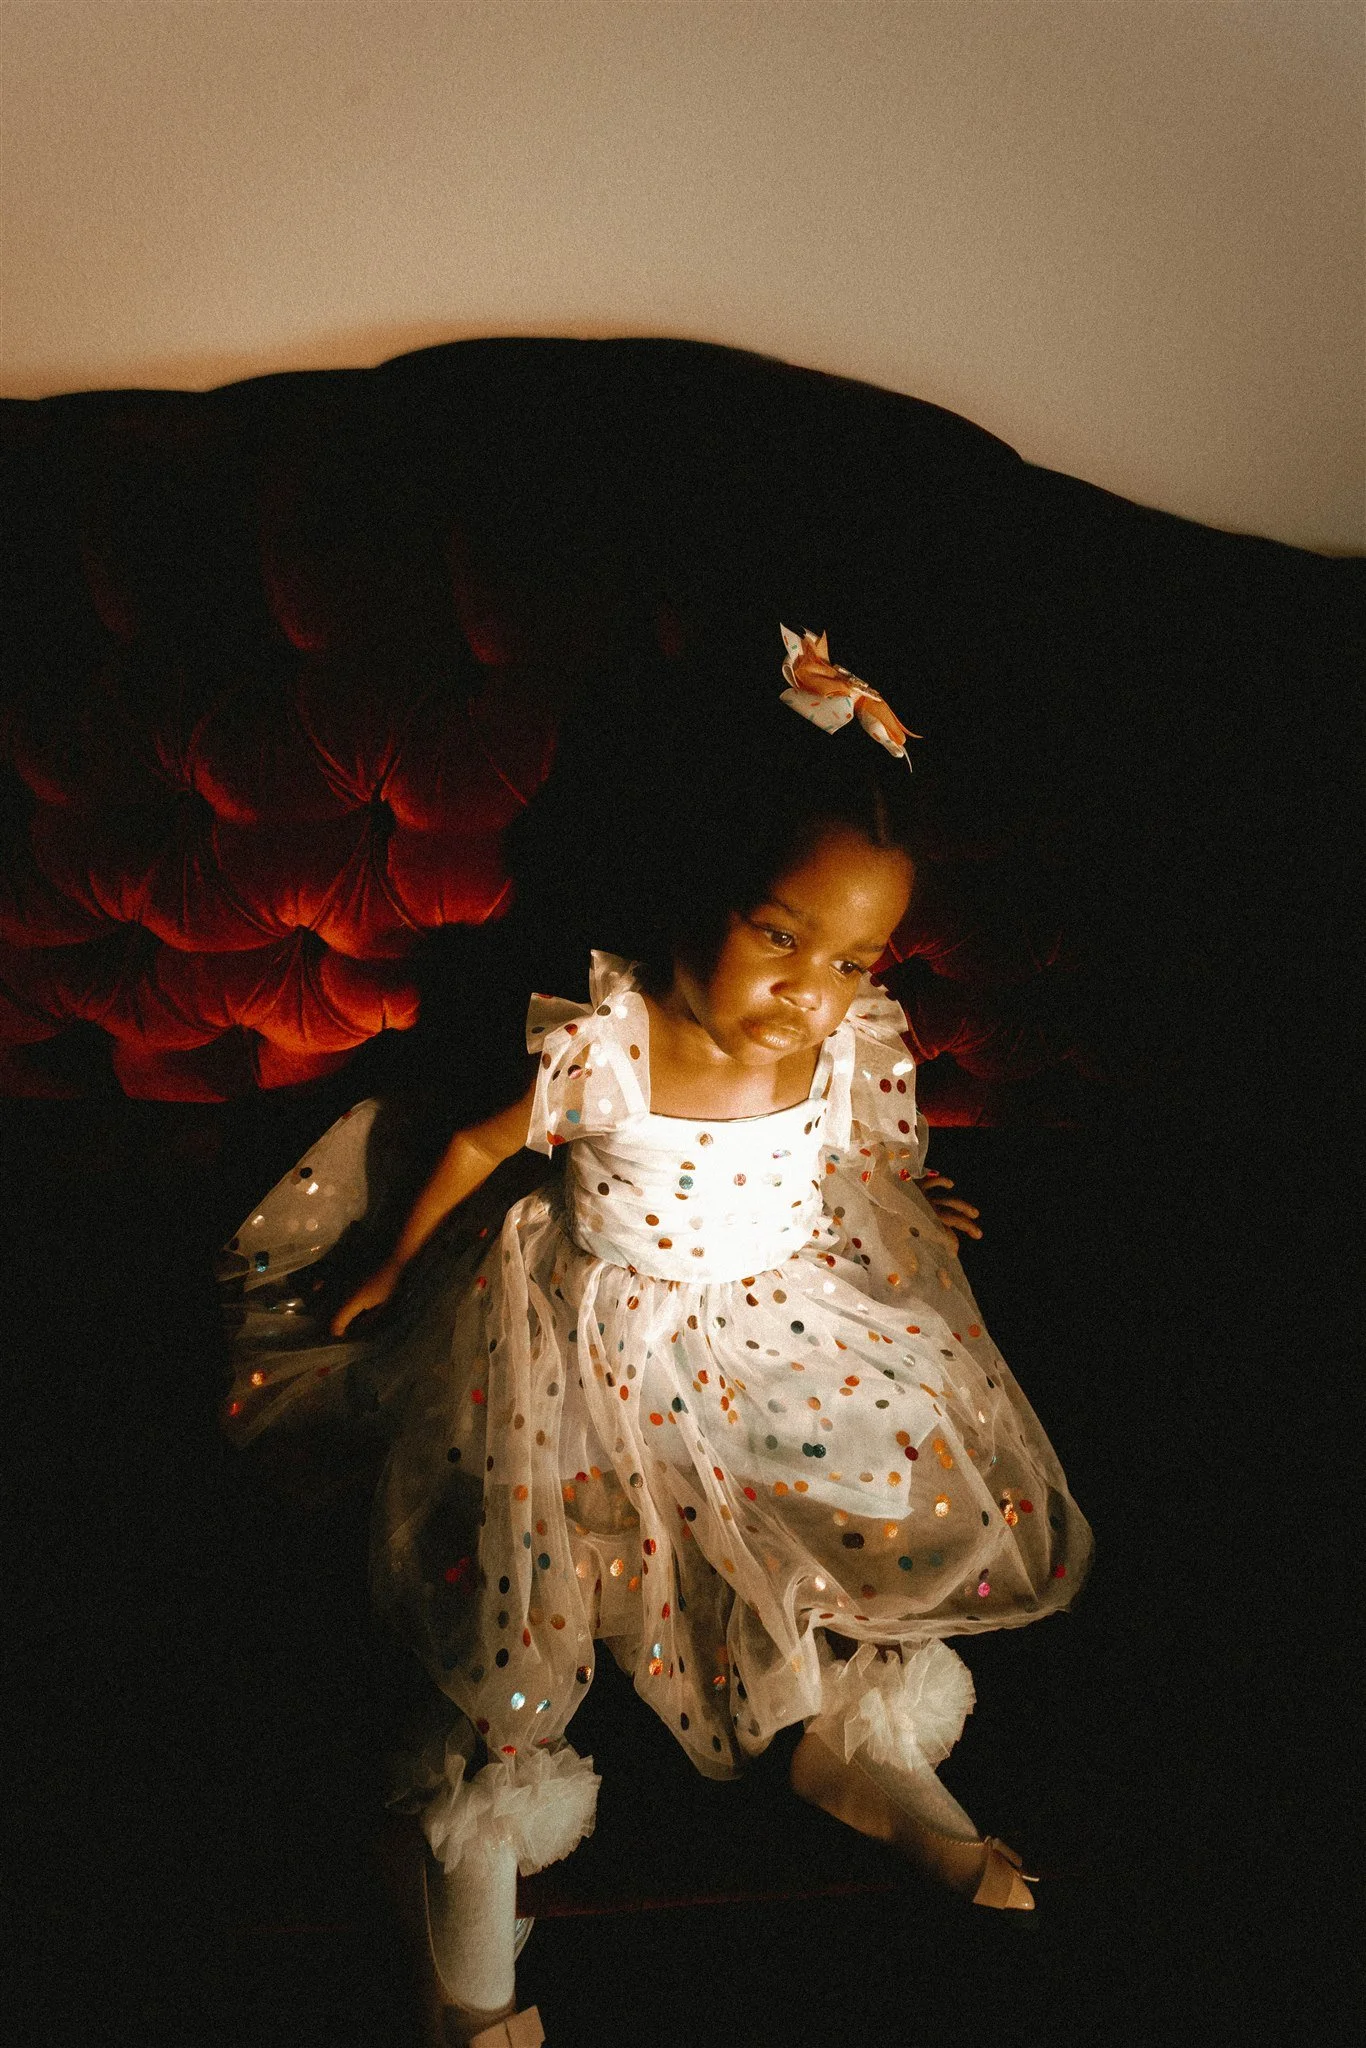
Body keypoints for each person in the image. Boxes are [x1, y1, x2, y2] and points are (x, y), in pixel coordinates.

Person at [222, 624, 1093, 2044]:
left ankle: (840, 1733)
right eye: (778, 937)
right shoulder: (614, 1042)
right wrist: (389, 1264)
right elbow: (474, 1145)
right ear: (697, 895)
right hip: (598, 1326)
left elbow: (847, 1146)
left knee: (832, 1506)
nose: (808, 991)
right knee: (530, 1577)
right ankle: (469, 1851)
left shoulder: (841, 1035)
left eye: (851, 957)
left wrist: (899, 1194)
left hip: (775, 1315)